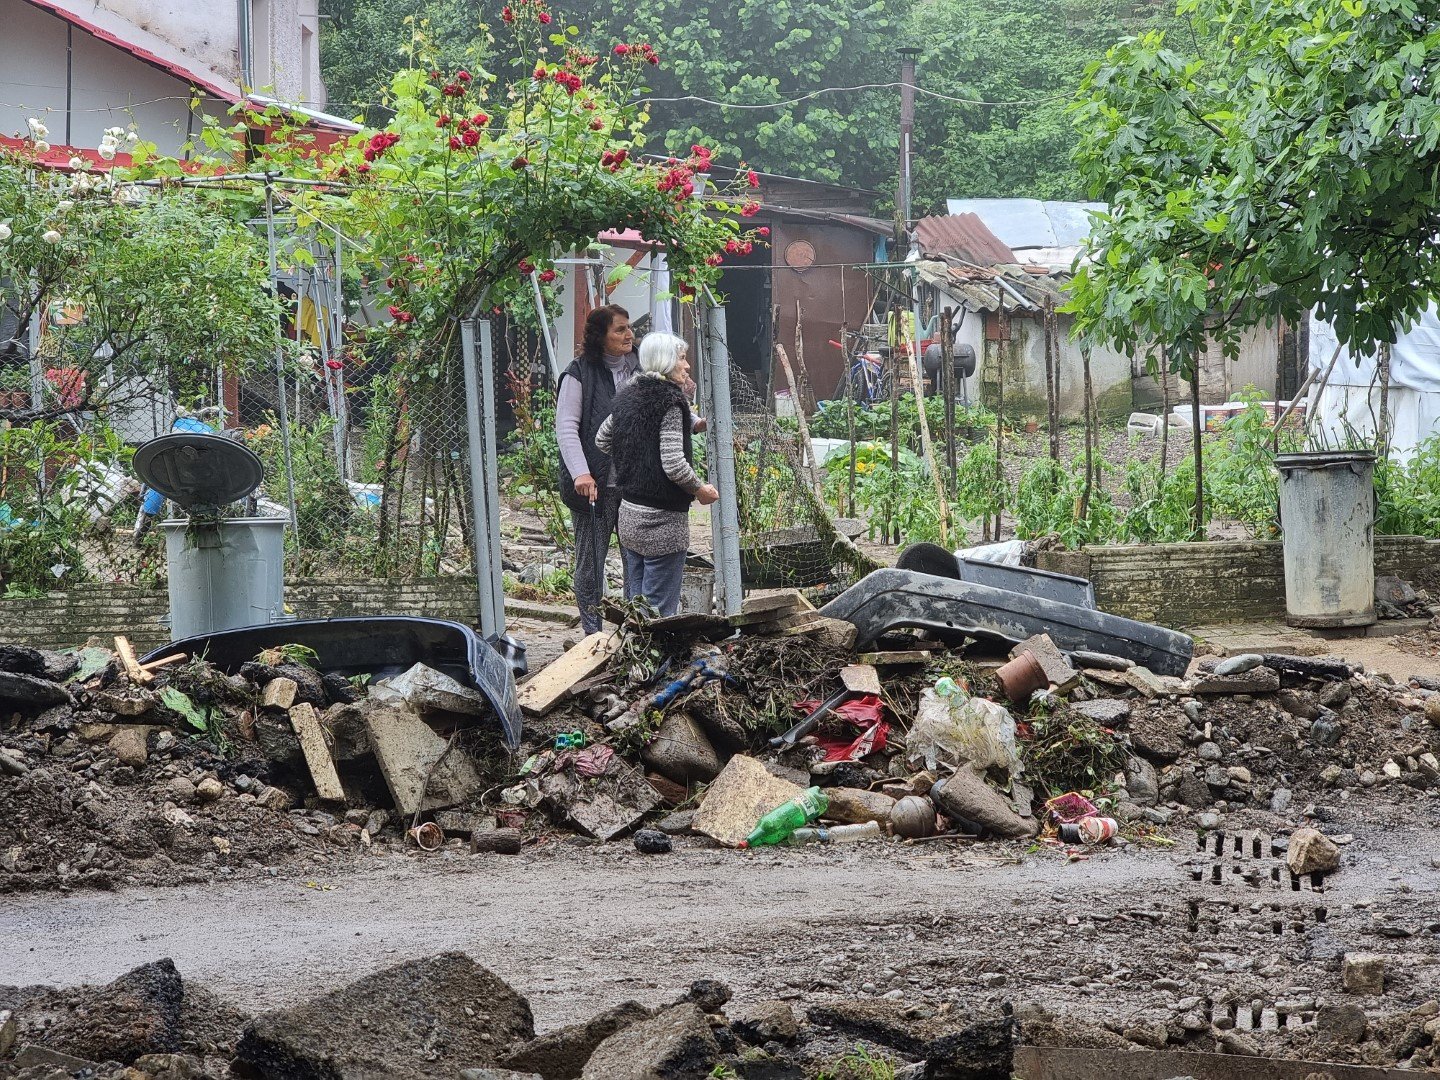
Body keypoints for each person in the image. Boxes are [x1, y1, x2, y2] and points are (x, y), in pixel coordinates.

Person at [595, 332, 718, 617]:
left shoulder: (627, 395)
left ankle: (634, 659)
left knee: (636, 606)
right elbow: (674, 464)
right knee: (659, 614)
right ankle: (656, 661)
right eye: (682, 358)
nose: (687, 366)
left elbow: (603, 439)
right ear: (665, 361)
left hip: (629, 517)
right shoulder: (670, 402)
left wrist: (637, 452)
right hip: (662, 522)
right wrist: (700, 490)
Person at [556, 305, 638, 634]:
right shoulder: (579, 373)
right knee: (591, 563)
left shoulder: (638, 368)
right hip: (595, 485)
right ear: (599, 336)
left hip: (634, 485)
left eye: (628, 327)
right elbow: (566, 428)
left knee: (637, 561)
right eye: (619, 329)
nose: (628, 334)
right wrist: (581, 473)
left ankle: (637, 633)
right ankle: (593, 637)